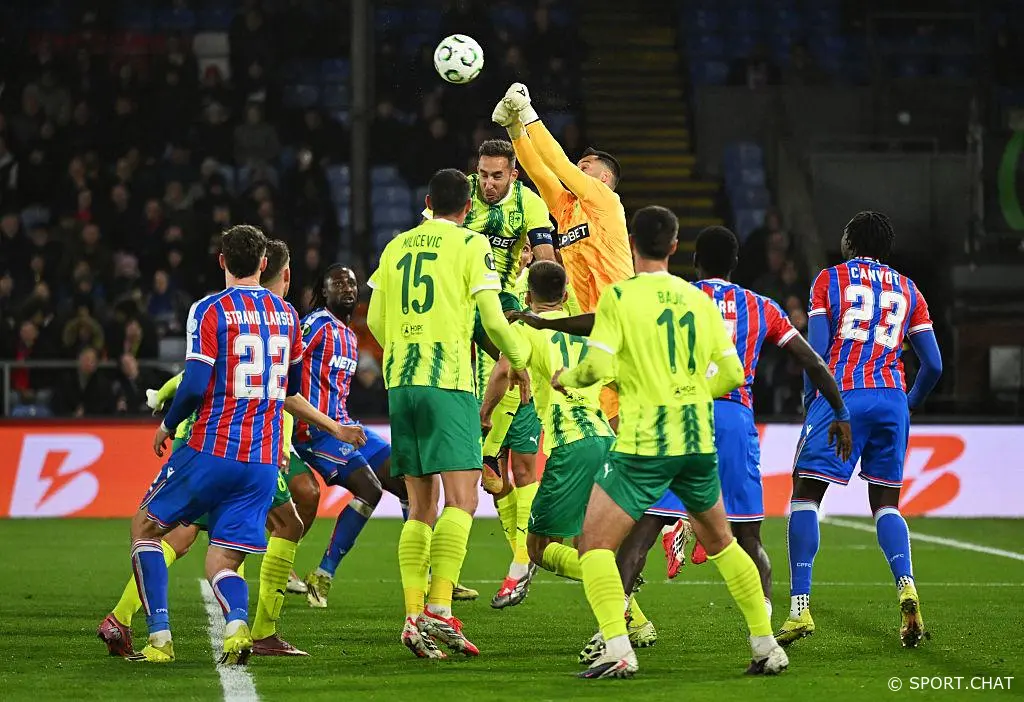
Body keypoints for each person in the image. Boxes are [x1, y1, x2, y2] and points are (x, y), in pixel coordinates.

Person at [552, 206, 789, 679]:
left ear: (632, 244)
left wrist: (567, 378)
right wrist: (692, 392)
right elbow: (732, 373)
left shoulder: (621, 296)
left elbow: (596, 368)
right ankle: (767, 646)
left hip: (645, 444)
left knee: (592, 545)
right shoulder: (696, 300)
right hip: (697, 441)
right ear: (675, 246)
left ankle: (617, 647)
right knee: (723, 543)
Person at [98, 239, 355, 659]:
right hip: (261, 461)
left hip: (211, 447)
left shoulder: (209, 309)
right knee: (223, 560)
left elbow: (193, 382)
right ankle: (239, 626)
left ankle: (157, 636)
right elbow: (289, 389)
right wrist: (332, 427)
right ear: (265, 264)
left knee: (147, 529)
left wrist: (166, 422)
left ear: (222, 261)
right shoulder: (289, 316)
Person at [605, 226, 852, 645]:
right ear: (735, 264)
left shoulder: (674, 296)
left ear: (694, 261)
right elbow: (811, 360)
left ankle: (611, 632)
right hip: (734, 419)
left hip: (679, 413)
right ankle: (764, 638)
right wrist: (840, 411)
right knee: (748, 537)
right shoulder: (762, 306)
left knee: (644, 528)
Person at [367, 169, 529, 659]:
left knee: (421, 507)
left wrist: (404, 352)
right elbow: (493, 317)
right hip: (449, 383)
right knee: (462, 498)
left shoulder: (395, 246)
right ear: (469, 205)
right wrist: (518, 358)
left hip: (401, 385)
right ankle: (439, 607)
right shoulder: (471, 243)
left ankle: (412, 616)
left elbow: (374, 319)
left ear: (427, 201)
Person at [778, 211, 942, 649]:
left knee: (805, 494)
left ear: (849, 242)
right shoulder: (909, 289)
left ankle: (799, 607)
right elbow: (934, 364)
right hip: (892, 399)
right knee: (886, 504)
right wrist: (908, 404)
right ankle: (906, 586)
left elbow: (816, 352)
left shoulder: (829, 280)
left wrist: (811, 400)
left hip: (843, 396)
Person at [422, 138, 556, 608]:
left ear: (513, 174)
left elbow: (546, 259)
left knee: (521, 466)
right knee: (479, 476)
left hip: (507, 314)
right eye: (483, 174)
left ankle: (519, 558)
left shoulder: (529, 204)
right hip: (461, 326)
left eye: (497, 175)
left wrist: (541, 290)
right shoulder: (460, 198)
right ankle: (505, 557)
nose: (488, 183)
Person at [479, 260, 617, 619]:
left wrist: (485, 414)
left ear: (528, 297)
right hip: (605, 439)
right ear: (566, 295)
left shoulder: (526, 329)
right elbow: (619, 381)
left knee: (538, 547)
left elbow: (503, 371)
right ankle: (635, 622)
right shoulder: (587, 331)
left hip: (571, 445)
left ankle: (619, 582)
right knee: (587, 542)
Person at [492, 82, 632, 425]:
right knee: (608, 419)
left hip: (621, 323)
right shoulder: (568, 209)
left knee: (626, 420)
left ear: (604, 177)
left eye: (586, 166)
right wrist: (514, 129)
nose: (577, 169)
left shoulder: (605, 201)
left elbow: (558, 164)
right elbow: (541, 173)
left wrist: (529, 114)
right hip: (589, 327)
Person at [298, 265, 396, 608]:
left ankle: (426, 573)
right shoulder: (315, 325)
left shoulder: (350, 336)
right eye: (338, 283)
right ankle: (323, 574)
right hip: (314, 430)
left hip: (344, 424)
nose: (347, 288)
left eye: (352, 283)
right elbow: (285, 363)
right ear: (324, 292)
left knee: (406, 476)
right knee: (370, 489)